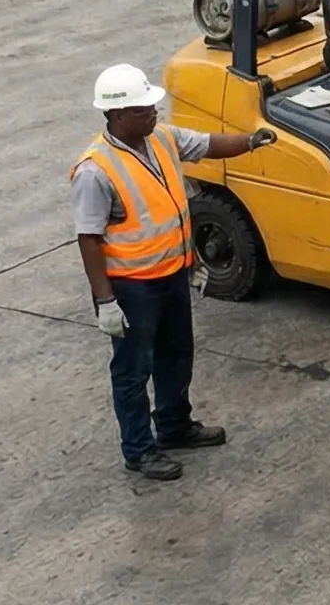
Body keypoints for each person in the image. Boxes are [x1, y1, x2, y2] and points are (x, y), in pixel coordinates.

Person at [75, 62, 273, 480]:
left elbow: (207, 144)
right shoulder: (96, 171)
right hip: (132, 289)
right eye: (144, 109)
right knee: (133, 370)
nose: (154, 113)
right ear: (117, 115)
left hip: (173, 276)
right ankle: (139, 449)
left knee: (177, 354)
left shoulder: (161, 139)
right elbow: (89, 239)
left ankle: (174, 426)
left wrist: (250, 141)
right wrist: (105, 301)